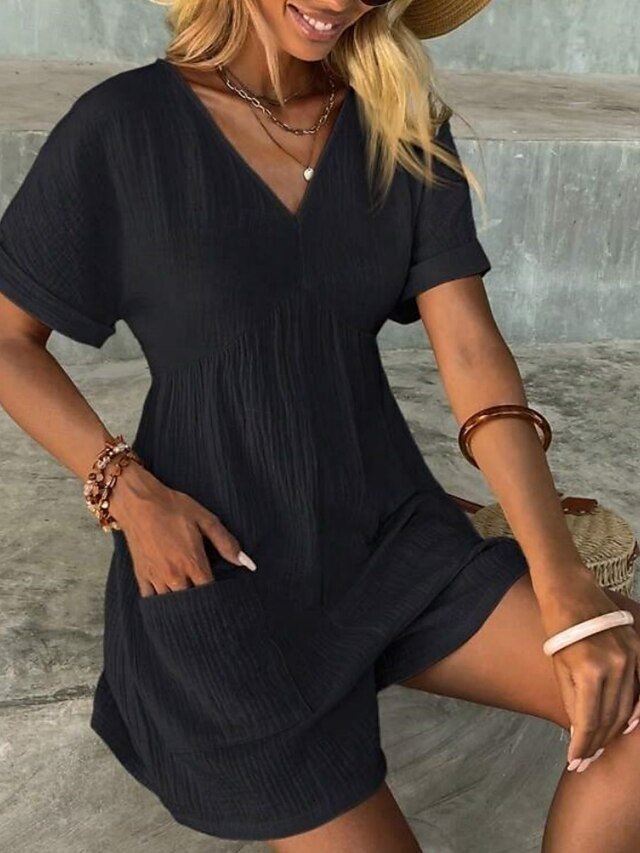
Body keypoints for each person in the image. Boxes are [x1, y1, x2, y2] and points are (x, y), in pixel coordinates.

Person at [0, 0, 639, 849]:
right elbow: (7, 338)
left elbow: (472, 355)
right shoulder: (123, 128)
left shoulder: (400, 127)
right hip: (224, 571)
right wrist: (125, 488)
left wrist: (561, 581)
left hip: (389, 538)